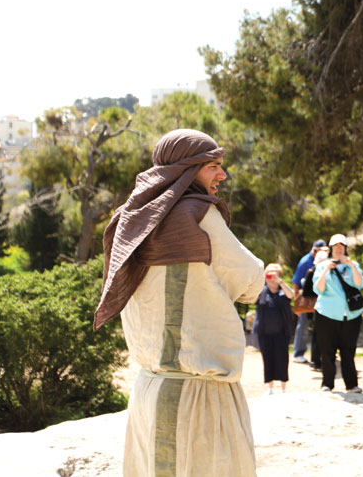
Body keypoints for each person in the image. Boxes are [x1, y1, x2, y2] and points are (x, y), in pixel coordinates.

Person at [94, 129, 265, 476]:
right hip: (200, 395)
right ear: (185, 170)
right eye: (212, 166)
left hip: (148, 391)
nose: (222, 175)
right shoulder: (197, 214)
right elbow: (251, 281)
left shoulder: (128, 220)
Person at [313, 233, 363, 393]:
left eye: (341, 246)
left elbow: (359, 283)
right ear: (331, 248)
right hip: (327, 314)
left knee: (348, 351)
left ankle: (351, 384)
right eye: (335, 246)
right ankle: (327, 384)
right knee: (327, 350)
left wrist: (351, 265)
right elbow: (318, 289)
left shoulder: (352, 264)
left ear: (345, 248)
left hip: (351, 315)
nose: (338, 249)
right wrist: (326, 270)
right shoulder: (322, 265)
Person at [254, 263, 295, 395]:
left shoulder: (283, 290)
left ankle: (283, 387)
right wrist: (259, 282)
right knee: (267, 358)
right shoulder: (261, 290)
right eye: (269, 273)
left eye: (274, 273)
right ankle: (270, 387)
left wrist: (280, 282)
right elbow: (251, 299)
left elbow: (291, 295)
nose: (271, 277)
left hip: (282, 331)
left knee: (282, 358)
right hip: (264, 331)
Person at [290, 239, 325, 364]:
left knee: (319, 328)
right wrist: (298, 304)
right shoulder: (305, 261)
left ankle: (319, 354)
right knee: (303, 326)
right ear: (314, 250)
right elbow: (296, 282)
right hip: (306, 300)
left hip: (319, 300)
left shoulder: (325, 262)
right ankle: (298, 353)